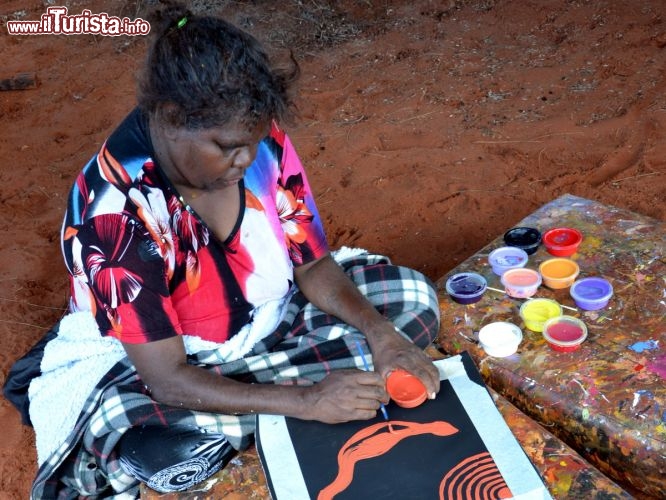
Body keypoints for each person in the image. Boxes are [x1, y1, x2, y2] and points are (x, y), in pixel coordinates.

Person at [4, 2, 441, 497]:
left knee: (411, 299)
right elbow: (167, 379)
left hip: (271, 324)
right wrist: (307, 400)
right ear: (169, 116)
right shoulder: (115, 210)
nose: (247, 159)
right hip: (165, 366)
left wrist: (381, 336)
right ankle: (282, 410)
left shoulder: (257, 135)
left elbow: (314, 263)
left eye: (253, 142)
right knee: (141, 435)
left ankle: (257, 419)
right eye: (228, 146)